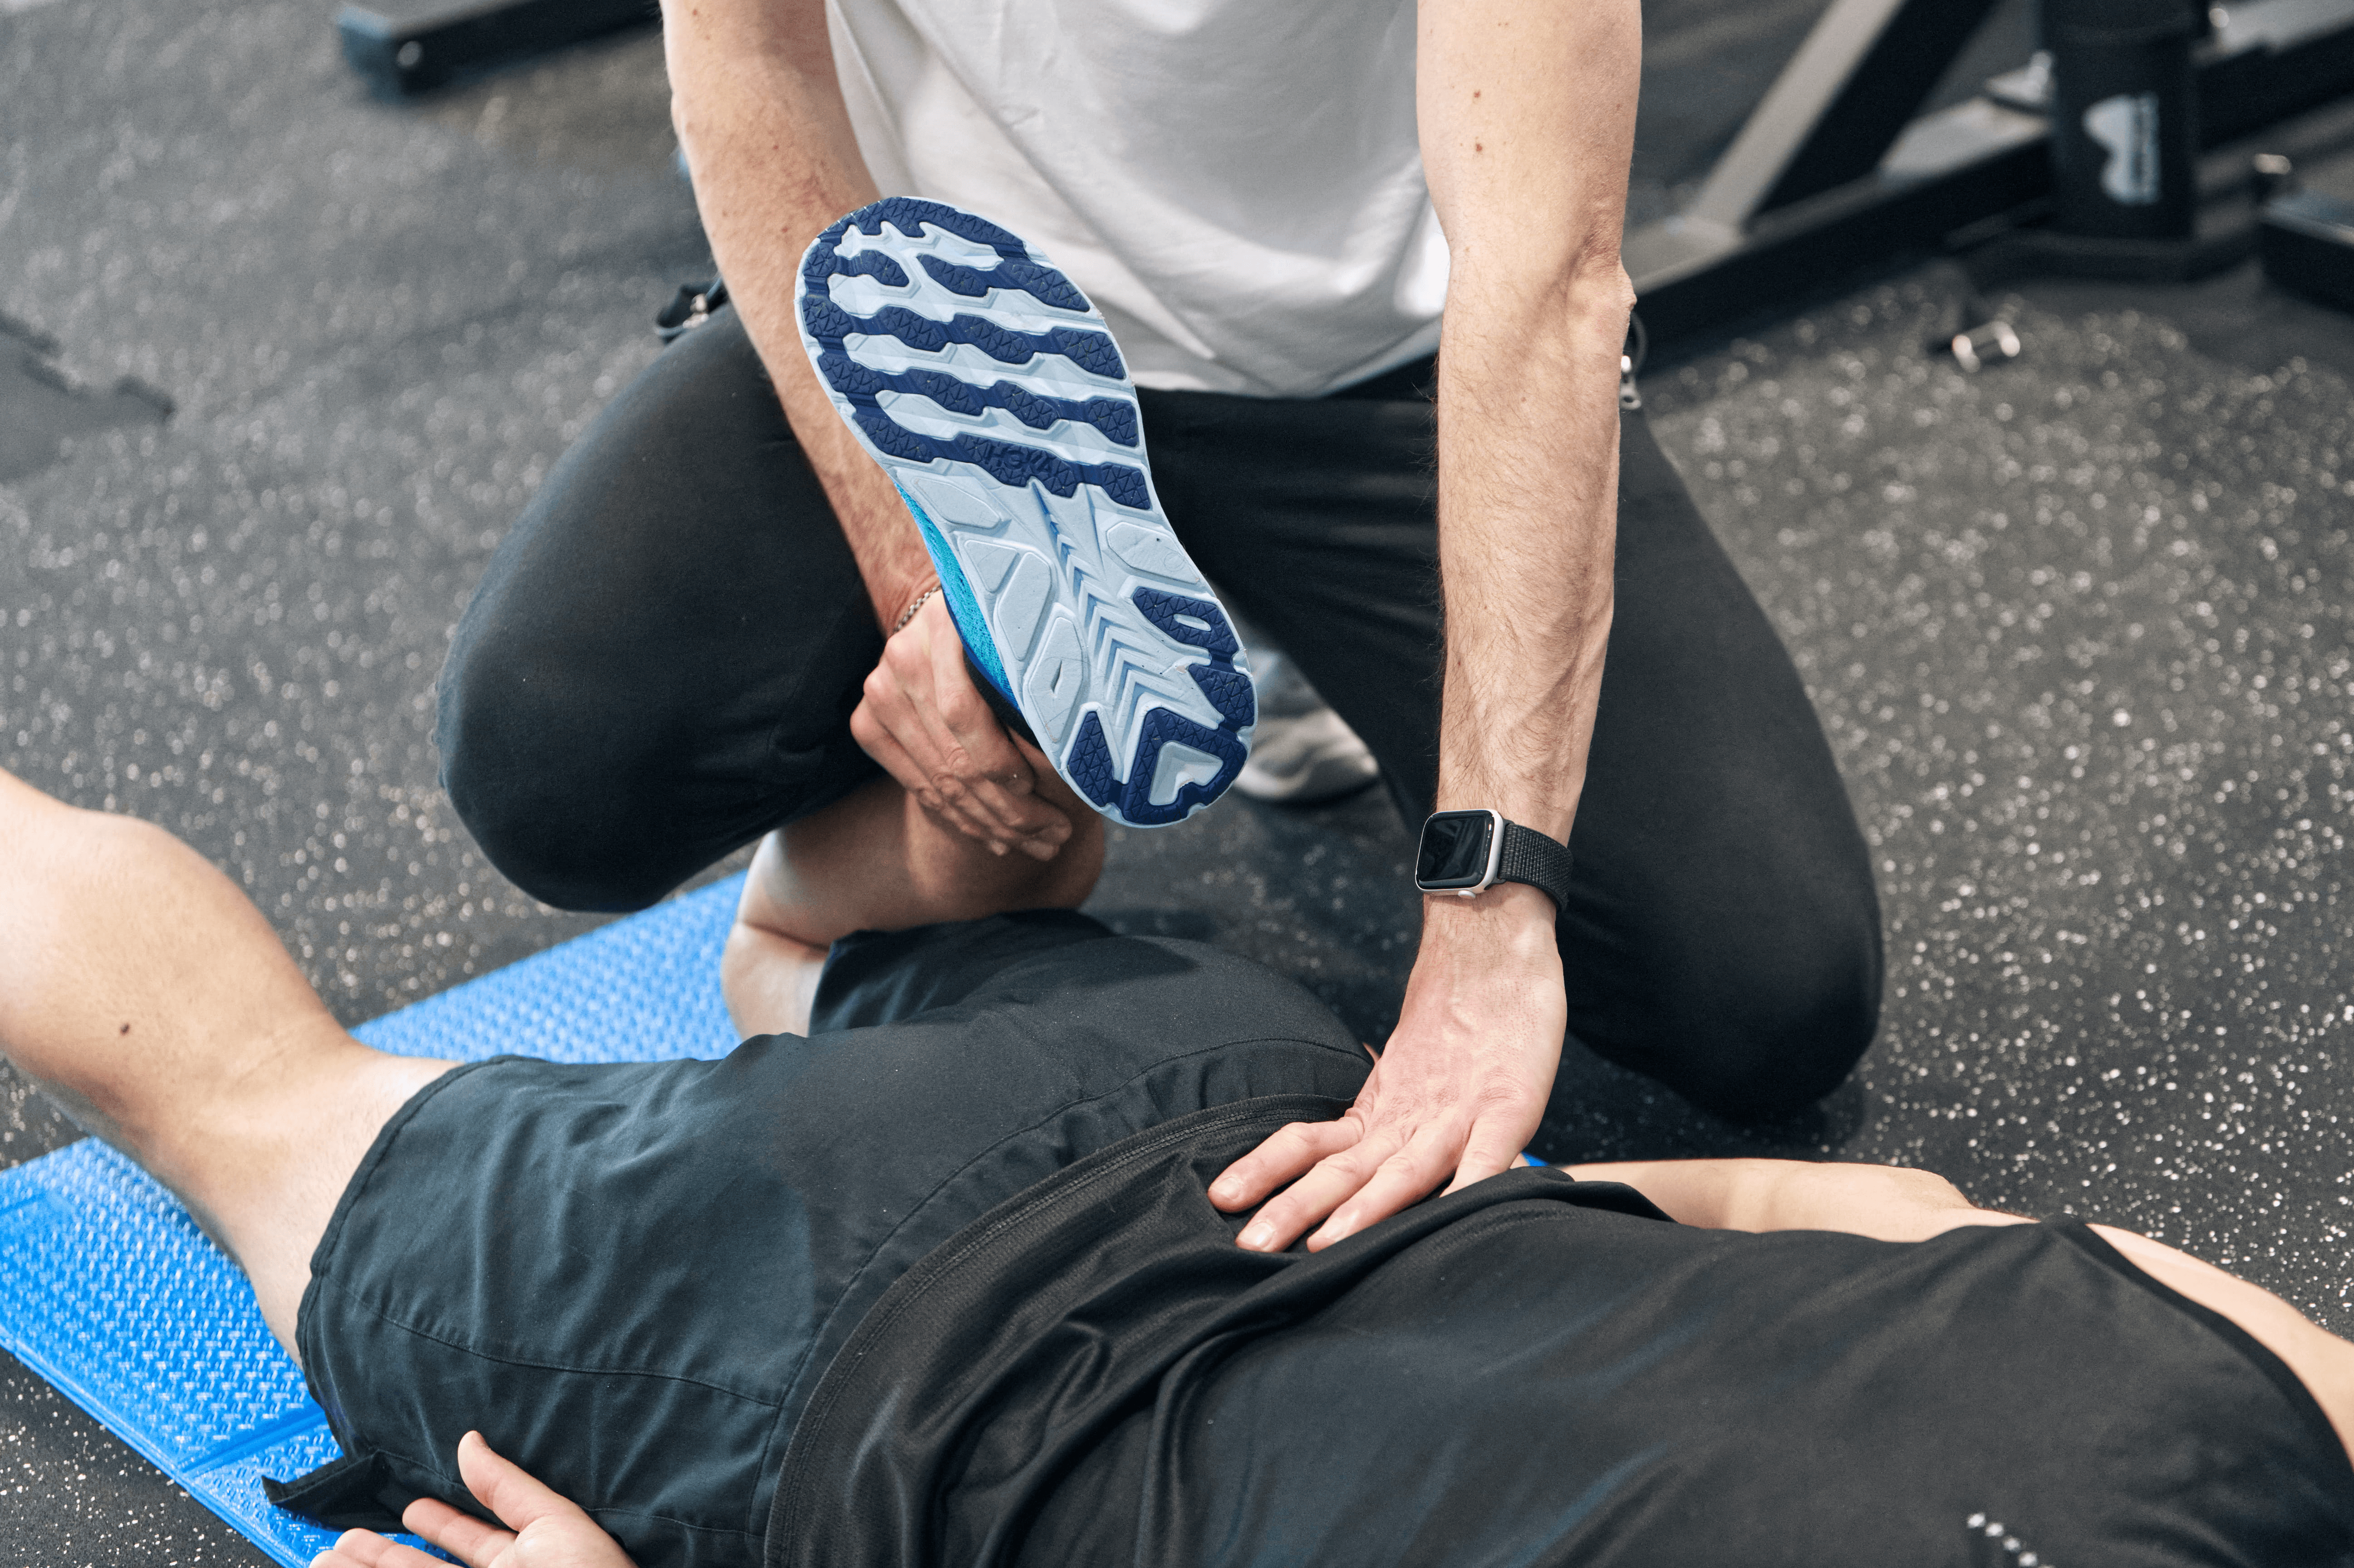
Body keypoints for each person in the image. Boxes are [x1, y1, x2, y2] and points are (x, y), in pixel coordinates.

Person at [5, 770, 2351, 1568]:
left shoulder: (2259, 1404)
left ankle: (872, 874)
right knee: (261, 1104)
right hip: (842, 1342)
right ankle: (887, 831)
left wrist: (1481, 1203)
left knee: (817, 959)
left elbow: (1895, 1213)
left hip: (1276, 1111)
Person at [430, 0, 1887, 1258]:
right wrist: (930, 586)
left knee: (1765, 990)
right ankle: (1030, 698)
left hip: (1383, 374)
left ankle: (1245, 642)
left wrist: (1485, 928)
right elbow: (756, 72)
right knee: (554, 748)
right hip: (965, 355)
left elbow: (1545, 281)